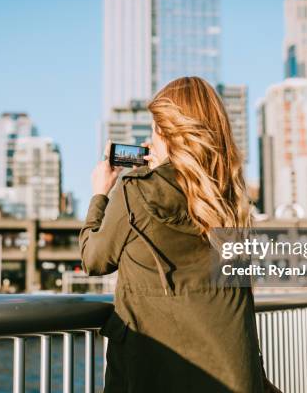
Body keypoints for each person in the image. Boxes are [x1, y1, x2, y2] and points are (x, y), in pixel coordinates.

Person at [80, 76, 280, 392]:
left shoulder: (136, 191)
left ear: (169, 133)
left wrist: (99, 194)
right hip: (232, 375)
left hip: (154, 372)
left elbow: (94, 260)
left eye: (154, 130)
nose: (150, 140)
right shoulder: (230, 200)